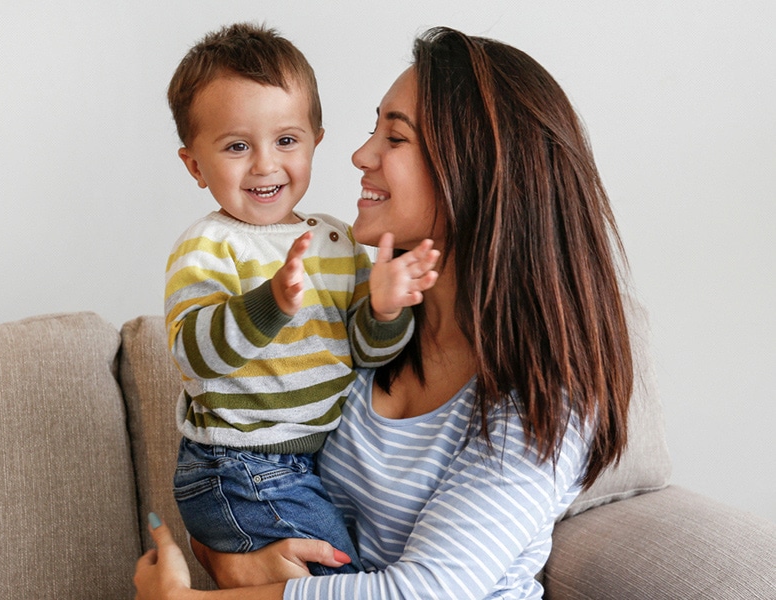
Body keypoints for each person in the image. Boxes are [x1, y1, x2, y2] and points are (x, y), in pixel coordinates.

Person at [138, 25, 632, 599]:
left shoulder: (546, 395)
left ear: (471, 171)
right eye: (374, 129)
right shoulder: (360, 324)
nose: (359, 154)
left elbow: (426, 592)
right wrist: (229, 559)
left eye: (394, 137)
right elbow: (242, 487)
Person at [163, 23, 441, 576]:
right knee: (339, 576)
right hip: (237, 465)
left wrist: (384, 311)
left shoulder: (338, 240)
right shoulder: (209, 245)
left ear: (316, 140)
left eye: (286, 141)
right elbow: (194, 355)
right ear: (195, 165)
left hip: (307, 463)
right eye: (237, 146)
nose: (265, 165)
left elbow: (365, 351)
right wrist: (268, 304)